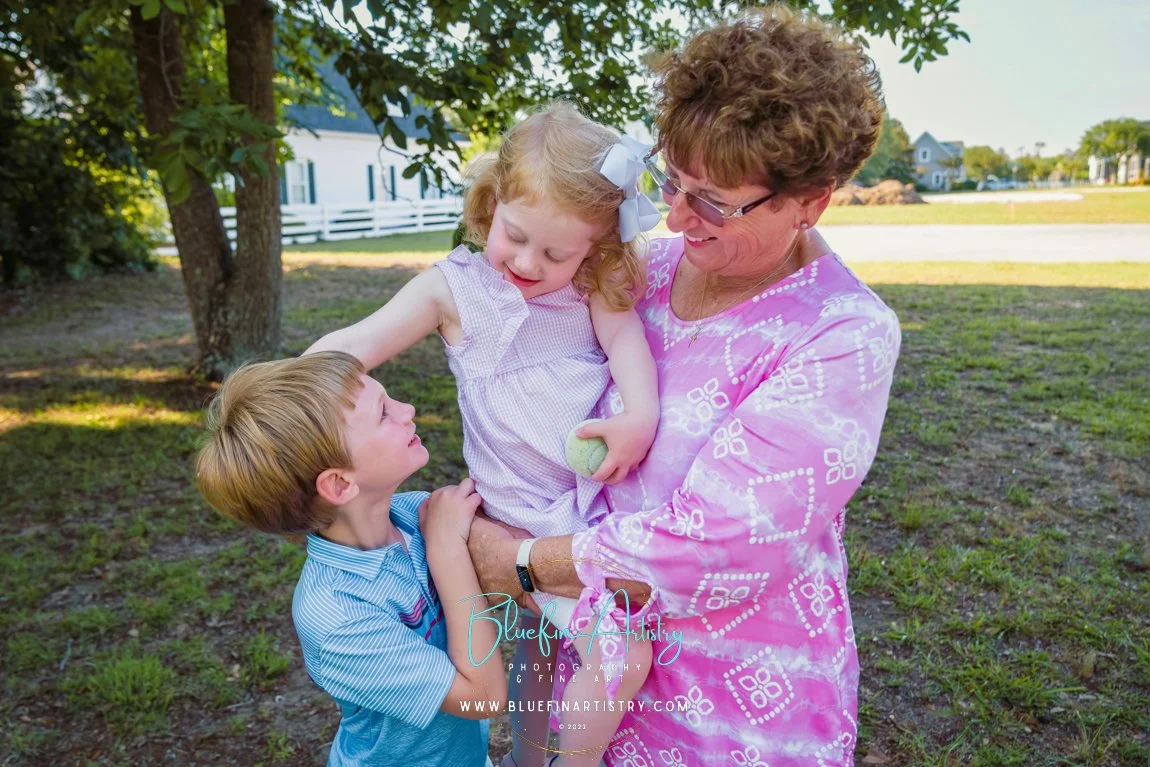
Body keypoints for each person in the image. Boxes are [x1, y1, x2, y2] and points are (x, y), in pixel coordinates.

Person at [465, 6, 901, 766]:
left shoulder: (841, 334)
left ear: (811, 202)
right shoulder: (649, 273)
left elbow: (719, 542)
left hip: (730, 707)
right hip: (599, 674)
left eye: (712, 201)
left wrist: (525, 562)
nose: (673, 218)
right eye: (672, 181)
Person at [305, 103, 659, 767]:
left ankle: (533, 757)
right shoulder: (454, 290)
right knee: (619, 652)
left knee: (545, 646)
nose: (527, 261)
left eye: (556, 253)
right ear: (491, 203)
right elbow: (356, 343)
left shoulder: (591, 284)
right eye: (514, 235)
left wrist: (639, 416)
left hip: (591, 502)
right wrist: (281, 392)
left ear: (595, 246)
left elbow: (626, 341)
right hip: (519, 509)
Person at [194, 351, 505, 767]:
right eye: (383, 413)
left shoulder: (417, 516)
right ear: (340, 484)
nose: (408, 410)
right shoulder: (335, 618)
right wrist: (447, 553)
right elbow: (482, 698)